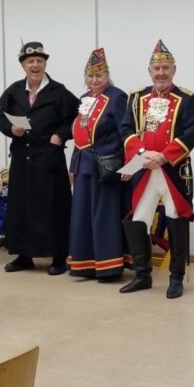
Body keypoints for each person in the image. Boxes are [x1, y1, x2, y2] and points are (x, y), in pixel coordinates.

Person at [119, 40, 194, 299]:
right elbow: (126, 130)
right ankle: (142, 275)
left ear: (174, 69)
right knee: (137, 220)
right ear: (149, 71)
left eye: (166, 68)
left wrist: (163, 157)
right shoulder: (136, 98)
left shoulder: (186, 98)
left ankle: (176, 278)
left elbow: (190, 134)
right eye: (157, 68)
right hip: (144, 169)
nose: (161, 73)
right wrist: (143, 154)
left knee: (176, 220)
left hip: (172, 171)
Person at [0, 41, 79, 275]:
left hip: (49, 158)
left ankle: (59, 257)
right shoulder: (14, 91)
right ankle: (24, 255)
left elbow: (77, 118)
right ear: (23, 65)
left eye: (39, 61)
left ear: (44, 64)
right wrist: (12, 130)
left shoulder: (58, 91)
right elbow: (0, 119)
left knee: (53, 207)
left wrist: (61, 135)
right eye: (30, 61)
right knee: (21, 206)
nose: (35, 65)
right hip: (23, 158)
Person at [68, 48, 129, 282]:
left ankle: (108, 266)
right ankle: (86, 263)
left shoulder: (117, 97)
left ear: (107, 75)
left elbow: (126, 133)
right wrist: (73, 166)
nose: (95, 80)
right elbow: (80, 134)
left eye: (99, 75)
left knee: (104, 215)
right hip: (83, 165)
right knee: (83, 214)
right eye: (91, 76)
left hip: (106, 165)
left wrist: (127, 165)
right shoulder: (84, 99)